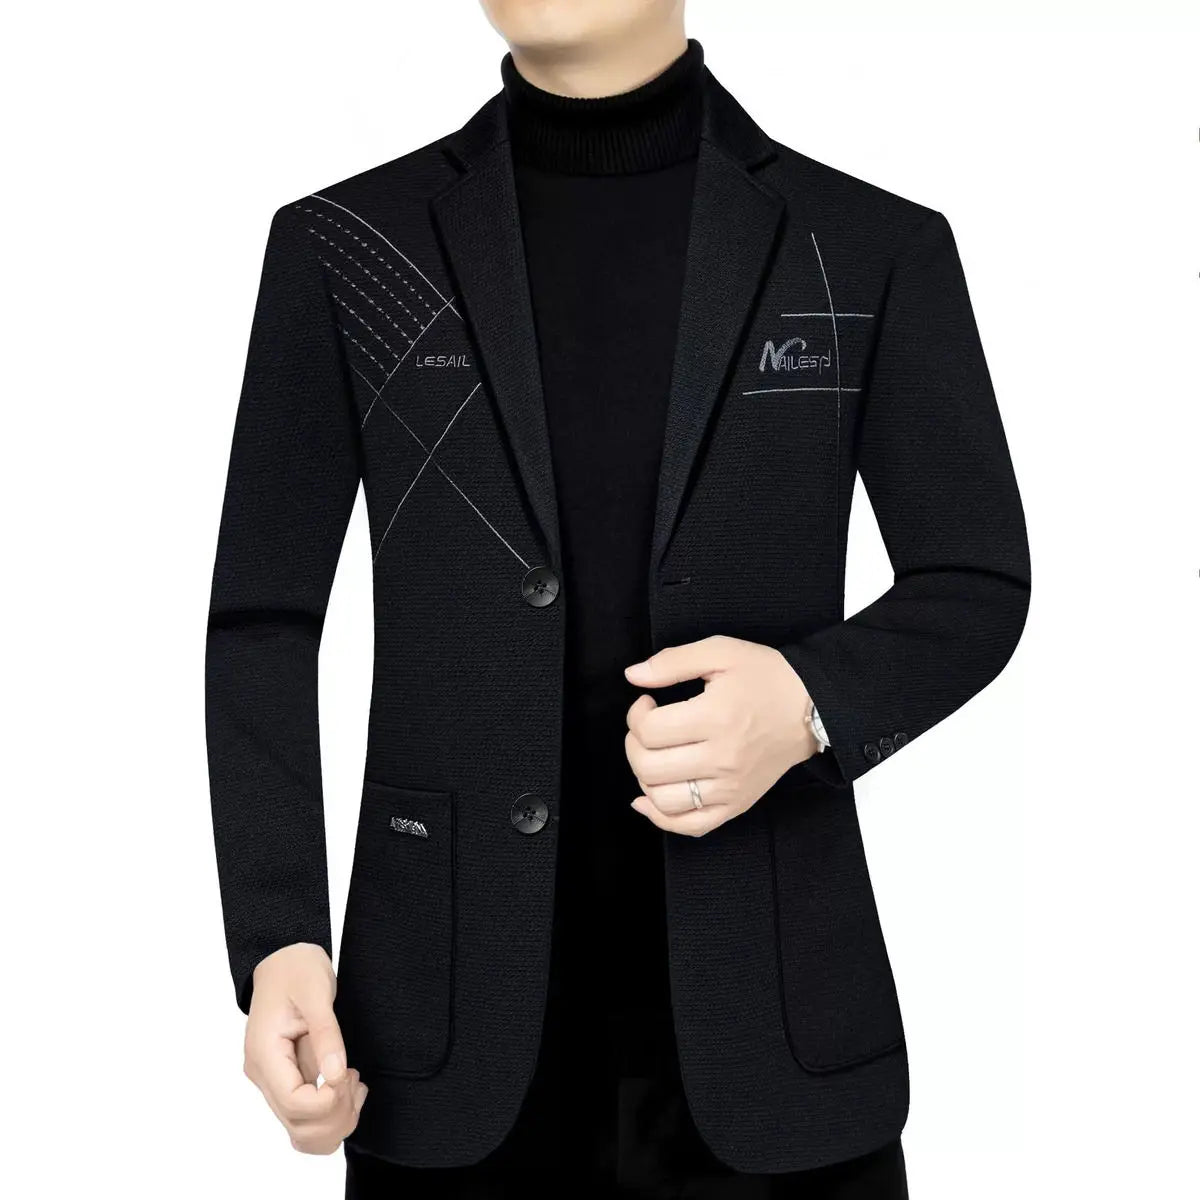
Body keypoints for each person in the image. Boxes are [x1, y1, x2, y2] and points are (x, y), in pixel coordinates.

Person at [205, 1, 1030, 1195]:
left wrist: (806, 702)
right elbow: (263, 623)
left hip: (777, 1040)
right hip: (444, 1046)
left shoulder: (865, 245)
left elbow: (975, 580)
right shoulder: (349, 247)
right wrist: (280, 937)